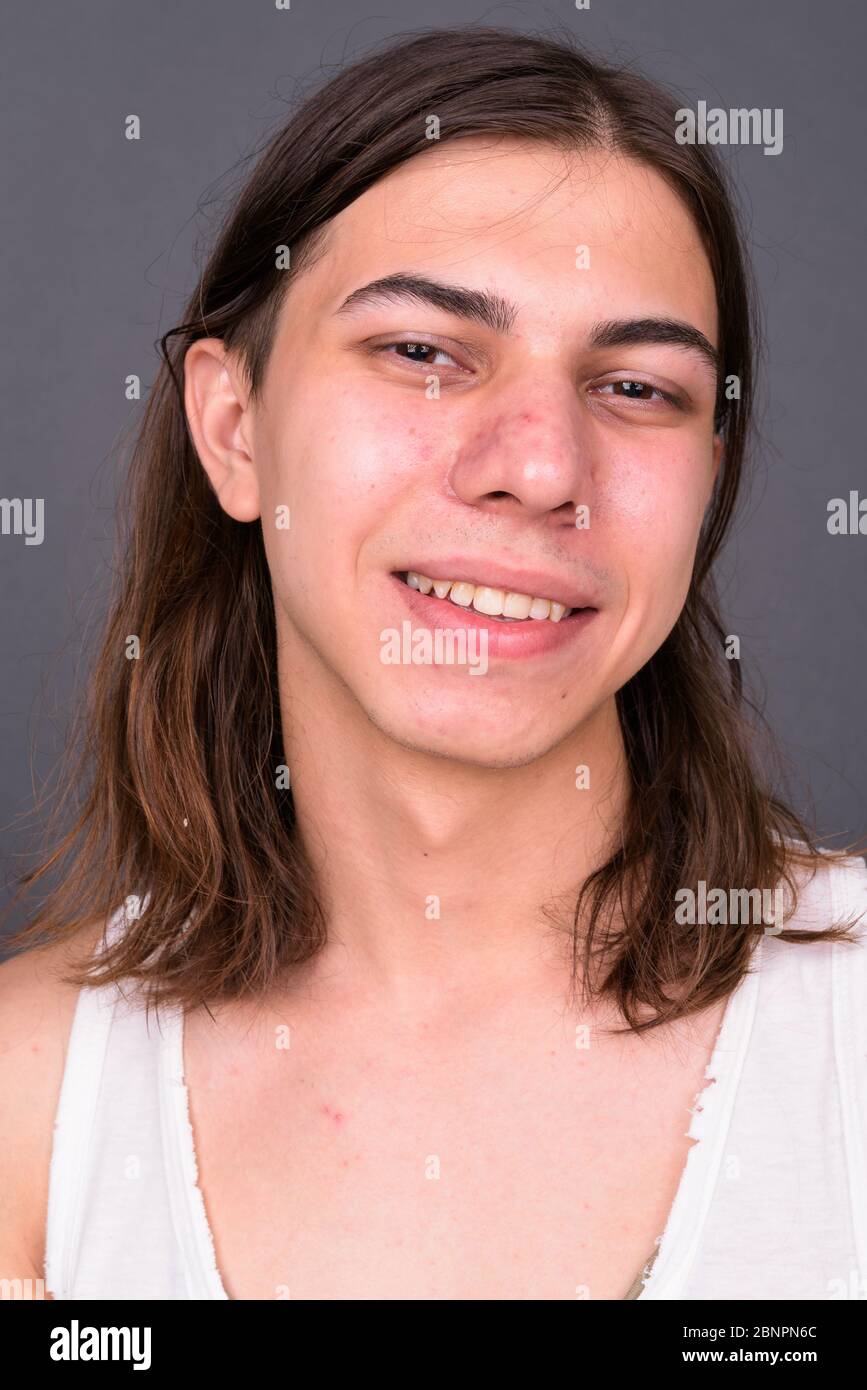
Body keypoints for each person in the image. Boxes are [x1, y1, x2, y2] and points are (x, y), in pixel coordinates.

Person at [1, 26, 865, 1303]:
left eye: (634, 388)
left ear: (706, 486)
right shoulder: (26, 1111)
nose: (541, 465)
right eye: (422, 352)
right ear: (232, 430)